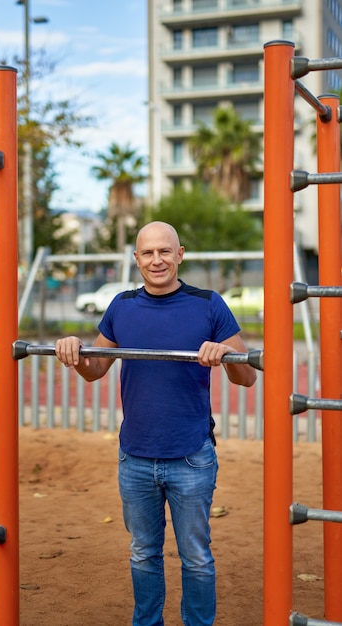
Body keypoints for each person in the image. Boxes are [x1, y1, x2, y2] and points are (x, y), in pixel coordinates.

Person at [55, 221, 257, 626]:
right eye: (147, 253)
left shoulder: (208, 304)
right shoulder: (122, 306)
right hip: (135, 457)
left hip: (191, 456)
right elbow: (95, 369)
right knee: (143, 553)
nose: (156, 260)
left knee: (196, 557)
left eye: (165, 251)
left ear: (180, 254)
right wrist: (75, 352)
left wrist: (225, 354)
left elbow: (247, 375)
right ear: (136, 259)